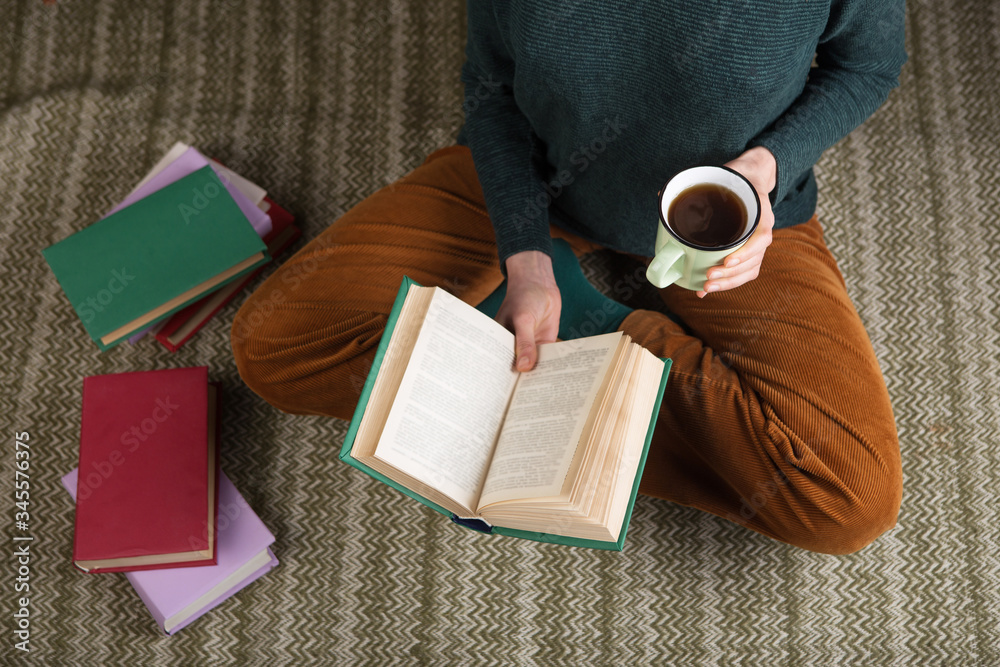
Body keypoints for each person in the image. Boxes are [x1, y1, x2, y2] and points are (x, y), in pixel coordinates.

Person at [231, 0, 907, 554]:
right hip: (542, 184)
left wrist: (766, 171)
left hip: (730, 214)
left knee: (848, 500)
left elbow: (869, 66)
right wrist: (522, 252)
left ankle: (605, 354)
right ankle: (546, 304)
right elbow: (492, 89)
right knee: (274, 349)